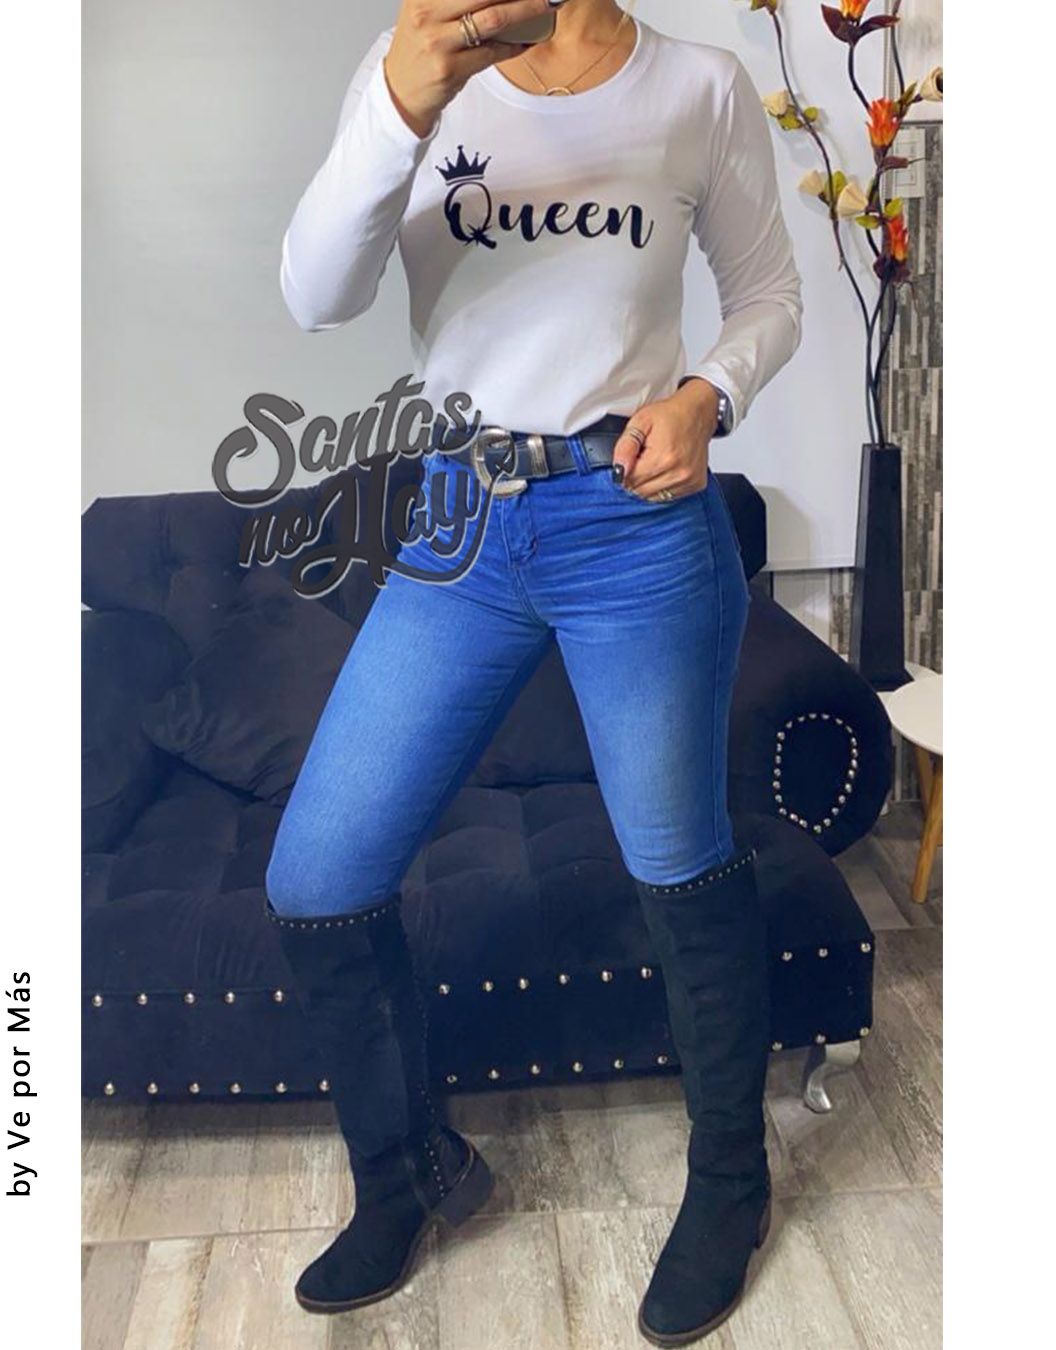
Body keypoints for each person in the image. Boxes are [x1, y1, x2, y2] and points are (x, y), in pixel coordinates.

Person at [265, 0, 802, 1343]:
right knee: (318, 877)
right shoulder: (416, 73)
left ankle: (731, 1184)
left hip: (634, 521)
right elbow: (316, 296)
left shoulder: (698, 84)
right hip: (460, 521)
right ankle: (408, 1174)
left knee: (681, 863)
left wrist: (708, 395)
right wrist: (402, 98)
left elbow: (770, 295)